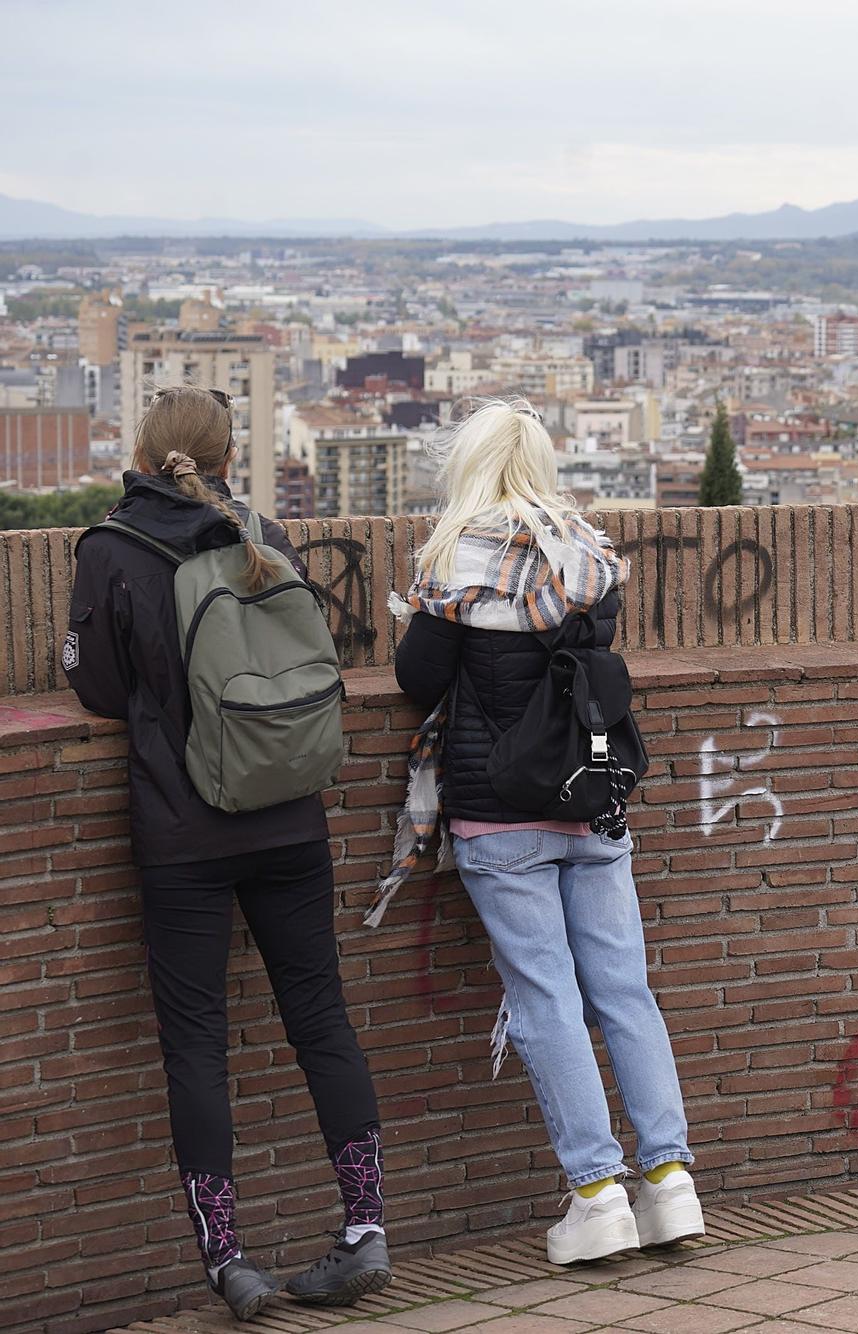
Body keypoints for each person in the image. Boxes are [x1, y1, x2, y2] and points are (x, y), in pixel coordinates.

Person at [64, 385, 390, 1320]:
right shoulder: (265, 538)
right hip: (291, 817)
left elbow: (95, 690)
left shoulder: (112, 551)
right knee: (322, 1018)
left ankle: (229, 1260)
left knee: (197, 1044)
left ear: (142, 450)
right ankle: (366, 1226)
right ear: (225, 454)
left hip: (182, 833)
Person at [391, 397, 702, 1265]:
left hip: (500, 814)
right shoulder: (588, 556)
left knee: (547, 1003)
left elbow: (419, 679)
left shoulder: (462, 559)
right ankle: (671, 1183)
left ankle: (597, 1193)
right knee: (625, 992)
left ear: (471, 464)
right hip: (590, 801)